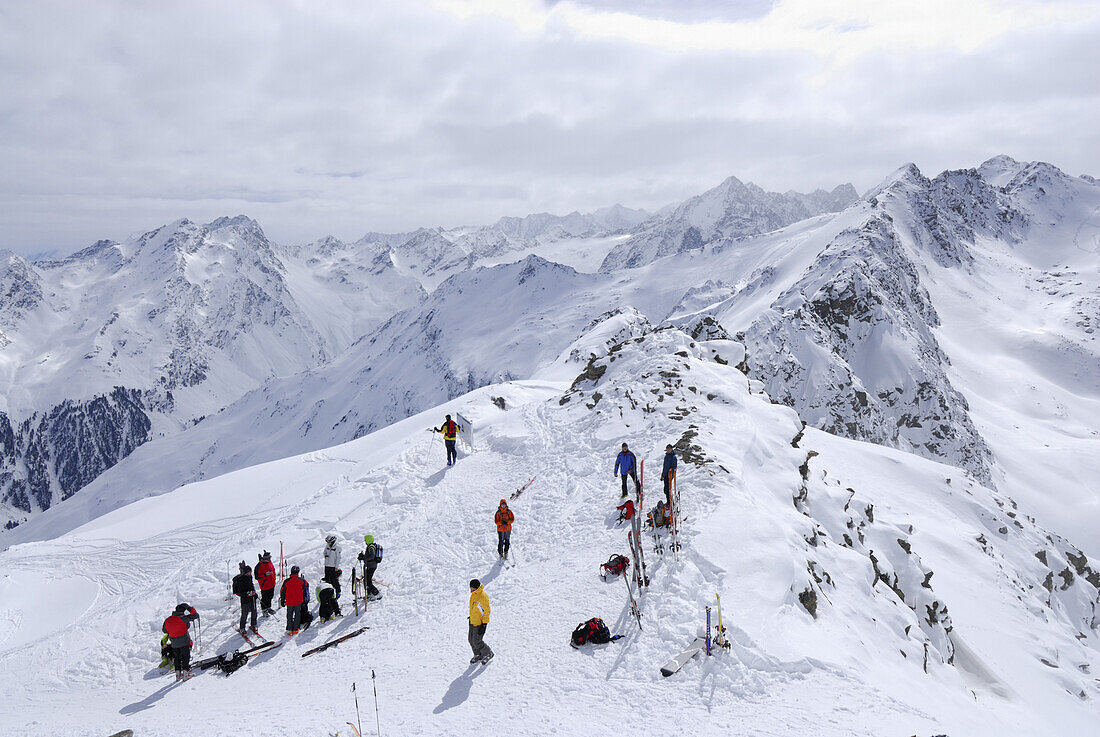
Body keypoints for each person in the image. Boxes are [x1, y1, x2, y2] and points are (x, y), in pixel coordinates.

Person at [162, 603, 199, 680]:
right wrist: (189, 608)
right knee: (185, 657)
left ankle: (178, 674)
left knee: (177, 658)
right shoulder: (183, 618)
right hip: (184, 641)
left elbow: (164, 630)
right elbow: (196, 615)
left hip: (174, 643)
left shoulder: (168, 619)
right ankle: (186, 673)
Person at [468, 578, 493, 664]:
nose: (470, 589)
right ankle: (477, 654)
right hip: (472, 621)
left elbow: (486, 611)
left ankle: (488, 653)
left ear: (476, 587)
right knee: (471, 640)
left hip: (479, 623)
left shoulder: (482, 596)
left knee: (477, 641)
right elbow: (475, 608)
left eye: (471, 588)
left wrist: (484, 624)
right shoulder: (474, 594)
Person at [232, 561, 260, 635]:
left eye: (250, 572)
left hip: (252, 599)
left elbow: (252, 586)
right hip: (245, 600)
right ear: (245, 573)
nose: (250, 573)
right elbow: (241, 592)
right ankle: (242, 628)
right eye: (249, 572)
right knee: (244, 614)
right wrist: (248, 593)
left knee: (254, 612)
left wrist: (254, 593)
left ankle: (254, 625)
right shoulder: (241, 580)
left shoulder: (250, 577)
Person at [280, 565, 306, 635]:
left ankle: (289, 629)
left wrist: (282, 600)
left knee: (289, 615)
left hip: (289, 601)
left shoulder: (286, 581)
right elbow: (305, 587)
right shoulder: (302, 580)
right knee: (297, 614)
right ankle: (295, 629)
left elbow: (282, 591)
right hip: (298, 601)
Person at [357, 534, 383, 601]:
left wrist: (363, 557)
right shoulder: (370, 546)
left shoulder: (371, 547)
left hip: (371, 566)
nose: (365, 541)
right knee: (366, 580)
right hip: (371, 565)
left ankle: (377, 594)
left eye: (366, 540)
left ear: (368, 540)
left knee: (368, 581)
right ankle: (370, 594)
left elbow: (371, 556)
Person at [255, 550, 277, 616]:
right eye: (268, 558)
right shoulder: (259, 566)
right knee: (265, 598)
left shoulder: (270, 562)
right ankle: (264, 610)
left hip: (272, 584)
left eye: (270, 558)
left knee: (270, 596)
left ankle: (269, 608)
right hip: (264, 585)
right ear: (265, 559)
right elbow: (257, 577)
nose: (269, 559)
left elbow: (273, 570)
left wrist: (274, 578)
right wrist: (265, 575)